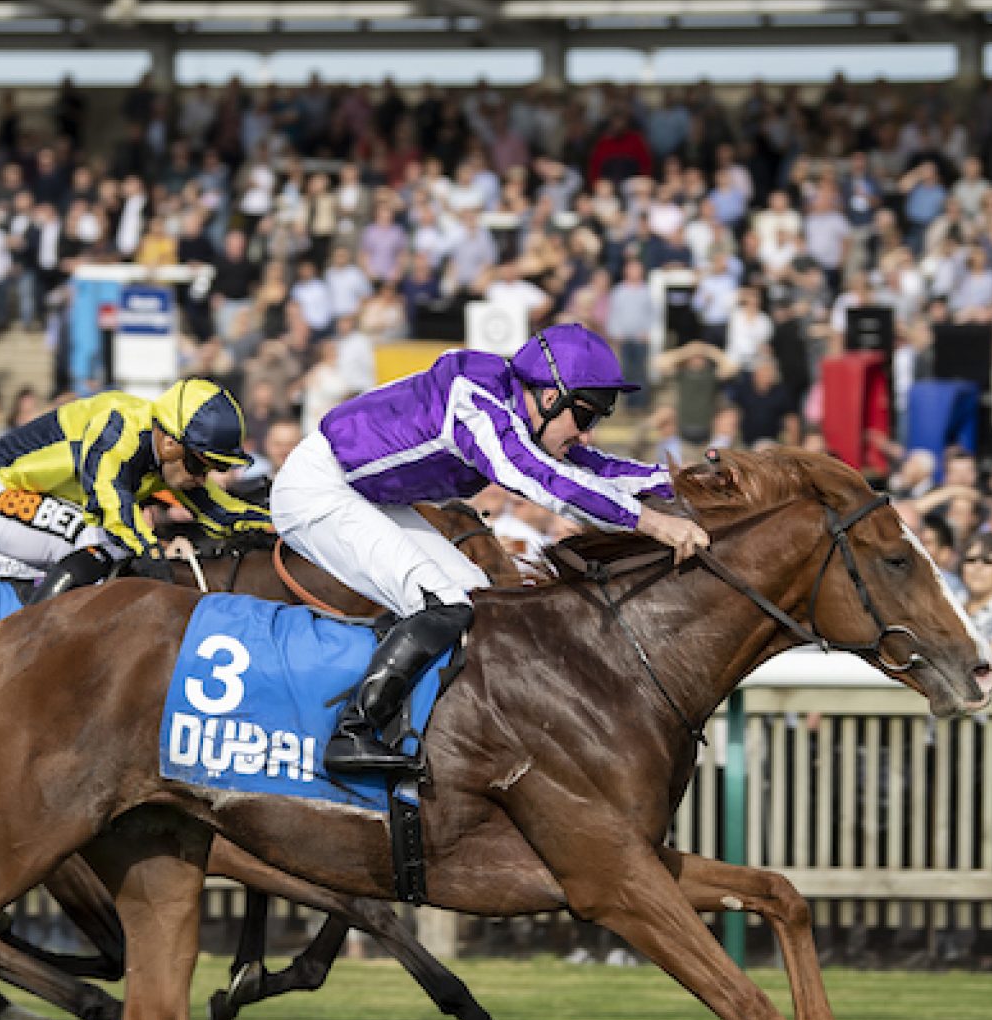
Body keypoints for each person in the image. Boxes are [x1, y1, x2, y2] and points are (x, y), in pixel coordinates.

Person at [271, 323, 706, 776]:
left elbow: (595, 467)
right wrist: (651, 523)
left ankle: (432, 731)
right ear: (549, 396)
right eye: (586, 416)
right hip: (319, 490)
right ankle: (352, 734)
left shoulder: (524, 410)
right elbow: (541, 479)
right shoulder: (475, 402)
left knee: (480, 602)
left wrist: (681, 482)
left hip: (368, 495)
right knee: (444, 602)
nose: (588, 433)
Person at [0, 378, 269, 597]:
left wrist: (279, 522)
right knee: (97, 539)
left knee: (114, 545)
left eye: (215, 468)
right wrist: (151, 551)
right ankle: (32, 645)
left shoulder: (168, 452)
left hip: (29, 495)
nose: (200, 478)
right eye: (200, 465)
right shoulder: (120, 426)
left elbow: (222, 513)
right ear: (172, 444)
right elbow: (109, 500)